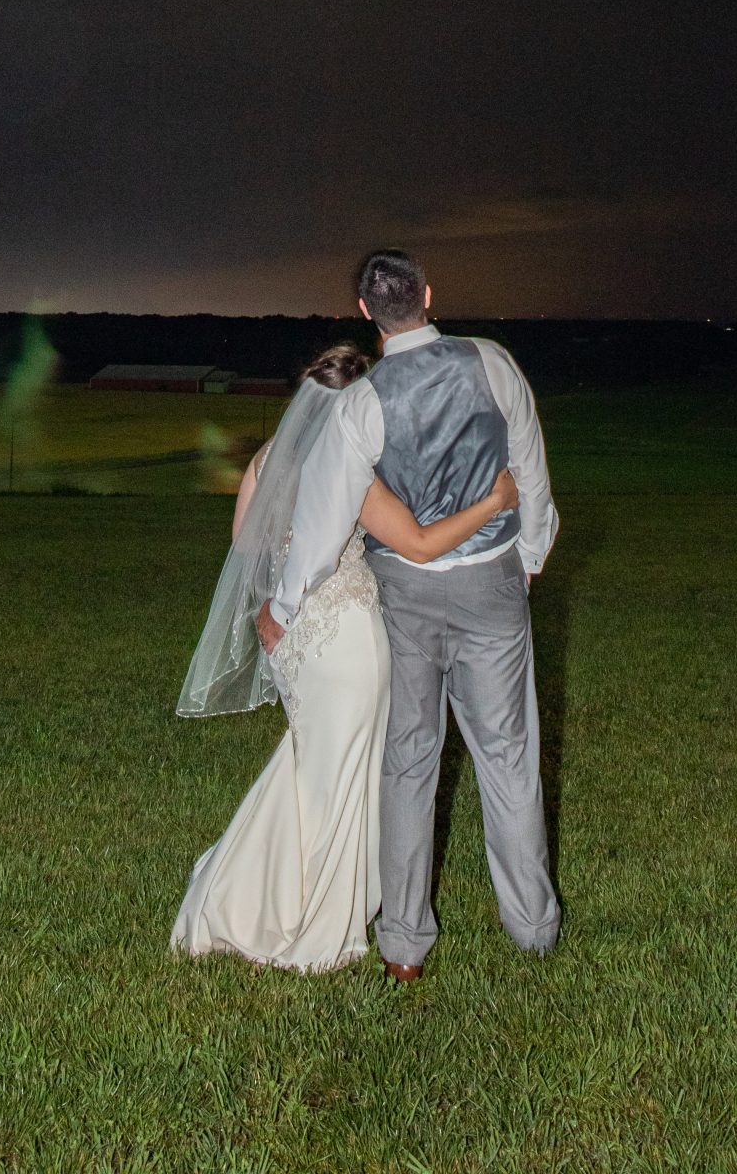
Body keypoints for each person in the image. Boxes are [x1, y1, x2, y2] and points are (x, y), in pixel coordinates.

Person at [172, 338, 517, 973]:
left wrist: (283, 594)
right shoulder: (350, 466)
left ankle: (253, 891)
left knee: (313, 762)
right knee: (345, 772)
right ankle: (305, 911)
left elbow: (245, 545)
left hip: (293, 641)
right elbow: (418, 544)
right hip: (348, 638)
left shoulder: (268, 460)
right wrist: (494, 504)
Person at [262, 251, 561, 979]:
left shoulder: (361, 403)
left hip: (404, 597)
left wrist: (283, 606)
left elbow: (324, 520)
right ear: (428, 294)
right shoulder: (492, 362)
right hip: (491, 584)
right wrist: (529, 553)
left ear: (365, 311)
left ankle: (403, 945)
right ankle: (532, 929)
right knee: (509, 757)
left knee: (408, 763)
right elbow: (528, 464)